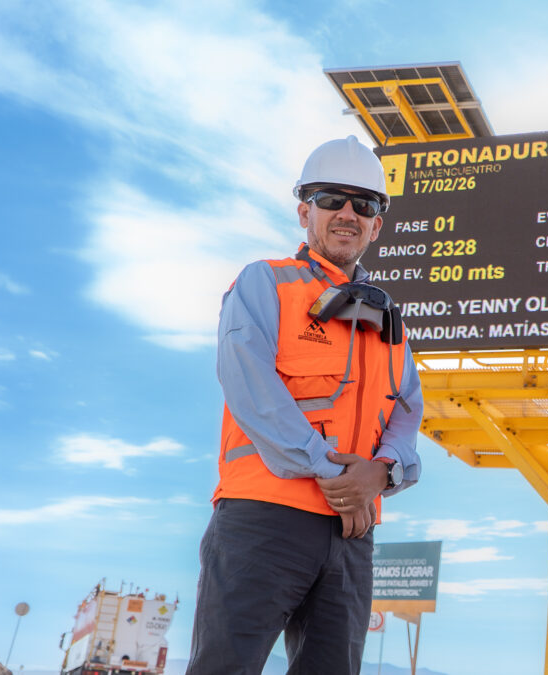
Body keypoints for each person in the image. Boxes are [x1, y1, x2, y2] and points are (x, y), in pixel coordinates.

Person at [186, 135, 423, 675]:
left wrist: (382, 473)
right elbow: (249, 385)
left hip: (351, 535)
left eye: (364, 204)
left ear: (376, 224)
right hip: (264, 519)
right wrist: (334, 473)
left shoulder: (390, 323)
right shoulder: (265, 283)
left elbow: (407, 410)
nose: (348, 213)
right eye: (331, 199)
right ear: (304, 212)